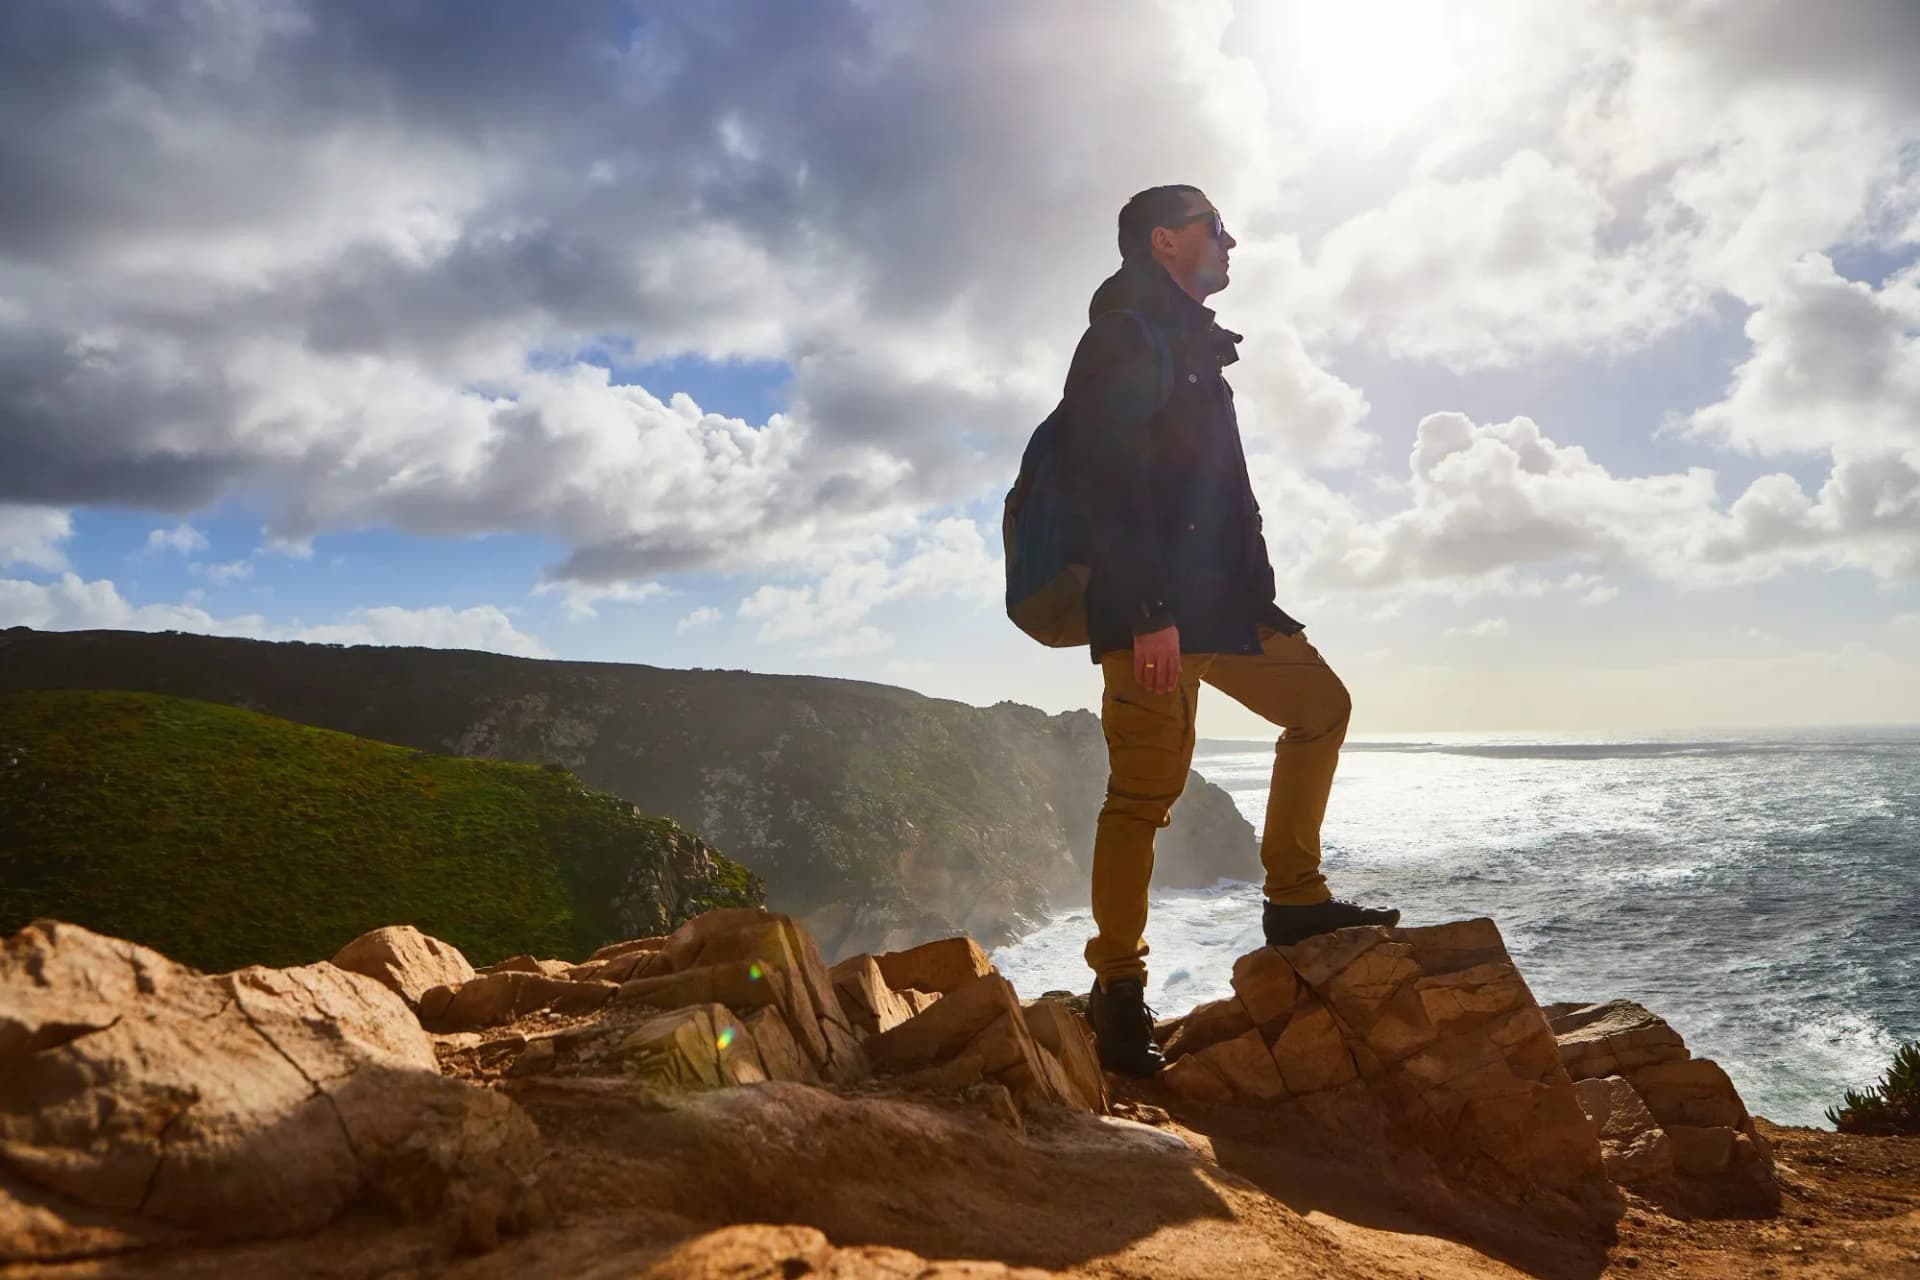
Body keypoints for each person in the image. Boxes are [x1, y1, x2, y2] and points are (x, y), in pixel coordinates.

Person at [1062, 185, 1400, 1077]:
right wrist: (1147, 614)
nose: (1232, 240)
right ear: (1166, 241)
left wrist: (1260, 599)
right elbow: (1108, 486)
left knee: (1321, 707)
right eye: (1216, 227)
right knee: (1142, 795)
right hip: (1154, 617)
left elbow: (1214, 492)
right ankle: (1118, 990)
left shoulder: (1193, 344)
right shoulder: (1124, 336)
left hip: (1225, 608)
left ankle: (1292, 898)